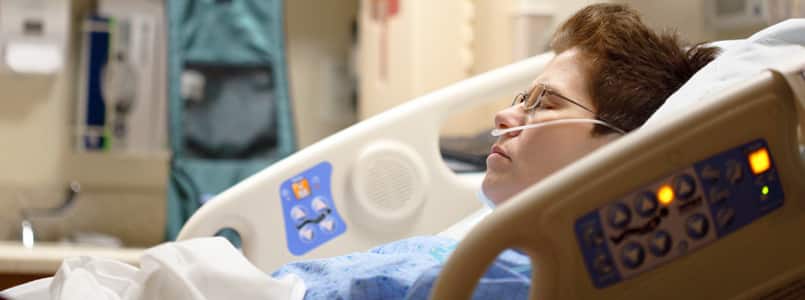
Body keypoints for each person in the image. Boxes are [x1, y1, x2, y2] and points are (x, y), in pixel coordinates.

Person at [272, 3, 719, 300]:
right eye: (521, 99)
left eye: (544, 102)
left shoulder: (512, 279)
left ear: (616, 150)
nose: (506, 116)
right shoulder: (493, 251)